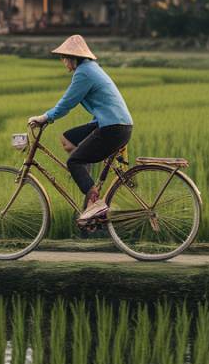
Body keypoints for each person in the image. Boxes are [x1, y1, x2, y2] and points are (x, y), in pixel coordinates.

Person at [27, 35, 133, 226]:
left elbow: (67, 103)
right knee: (68, 138)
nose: (63, 62)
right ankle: (88, 181)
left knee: (74, 161)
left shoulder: (84, 73)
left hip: (113, 128)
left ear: (74, 58)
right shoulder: (90, 69)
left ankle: (93, 201)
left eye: (65, 57)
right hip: (113, 124)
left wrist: (44, 118)